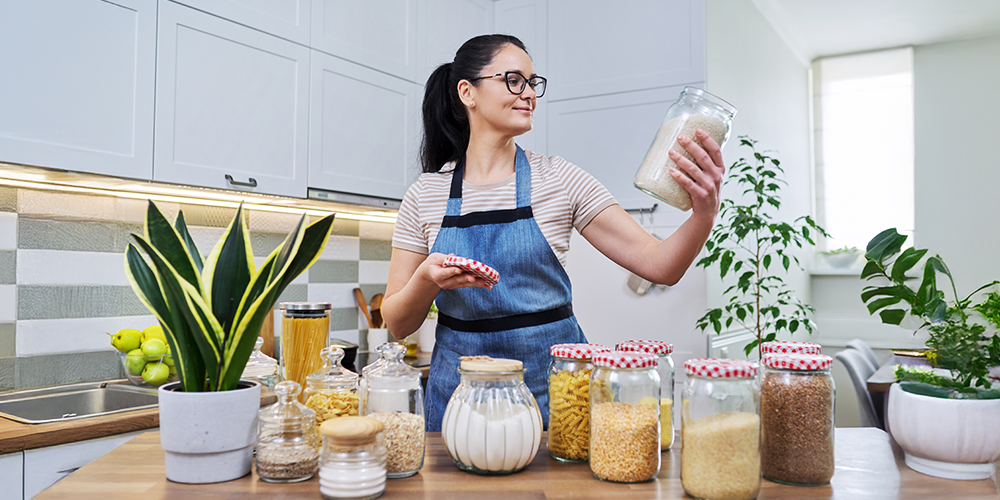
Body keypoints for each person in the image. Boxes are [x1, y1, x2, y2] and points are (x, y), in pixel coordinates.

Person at [382, 34, 725, 431]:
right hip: (460, 403)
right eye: (513, 80)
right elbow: (397, 323)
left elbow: (659, 265)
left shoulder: (559, 178)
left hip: (561, 400)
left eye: (532, 82)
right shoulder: (425, 194)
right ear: (467, 92)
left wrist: (704, 214)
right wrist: (427, 278)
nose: (528, 93)